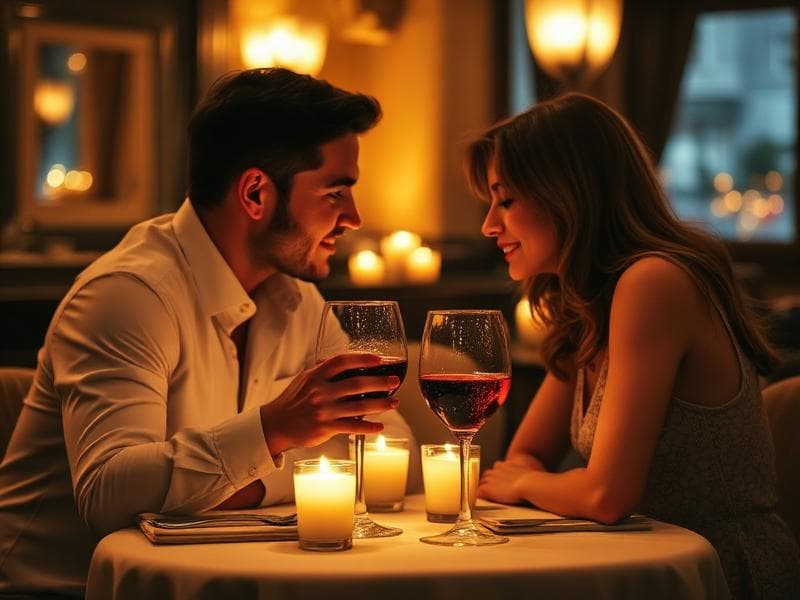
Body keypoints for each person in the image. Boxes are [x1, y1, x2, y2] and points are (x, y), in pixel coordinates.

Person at [0, 68, 416, 596]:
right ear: (256, 193)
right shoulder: (128, 294)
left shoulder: (294, 297)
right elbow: (109, 495)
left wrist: (238, 478)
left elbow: (391, 445)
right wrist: (273, 431)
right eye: (336, 193)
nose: (355, 217)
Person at [469, 93, 800, 599]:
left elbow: (605, 495)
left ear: (570, 193)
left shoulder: (653, 282)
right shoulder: (589, 304)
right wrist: (534, 477)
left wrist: (526, 485)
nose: (489, 225)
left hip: (712, 573)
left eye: (506, 199)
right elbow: (527, 452)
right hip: (638, 563)